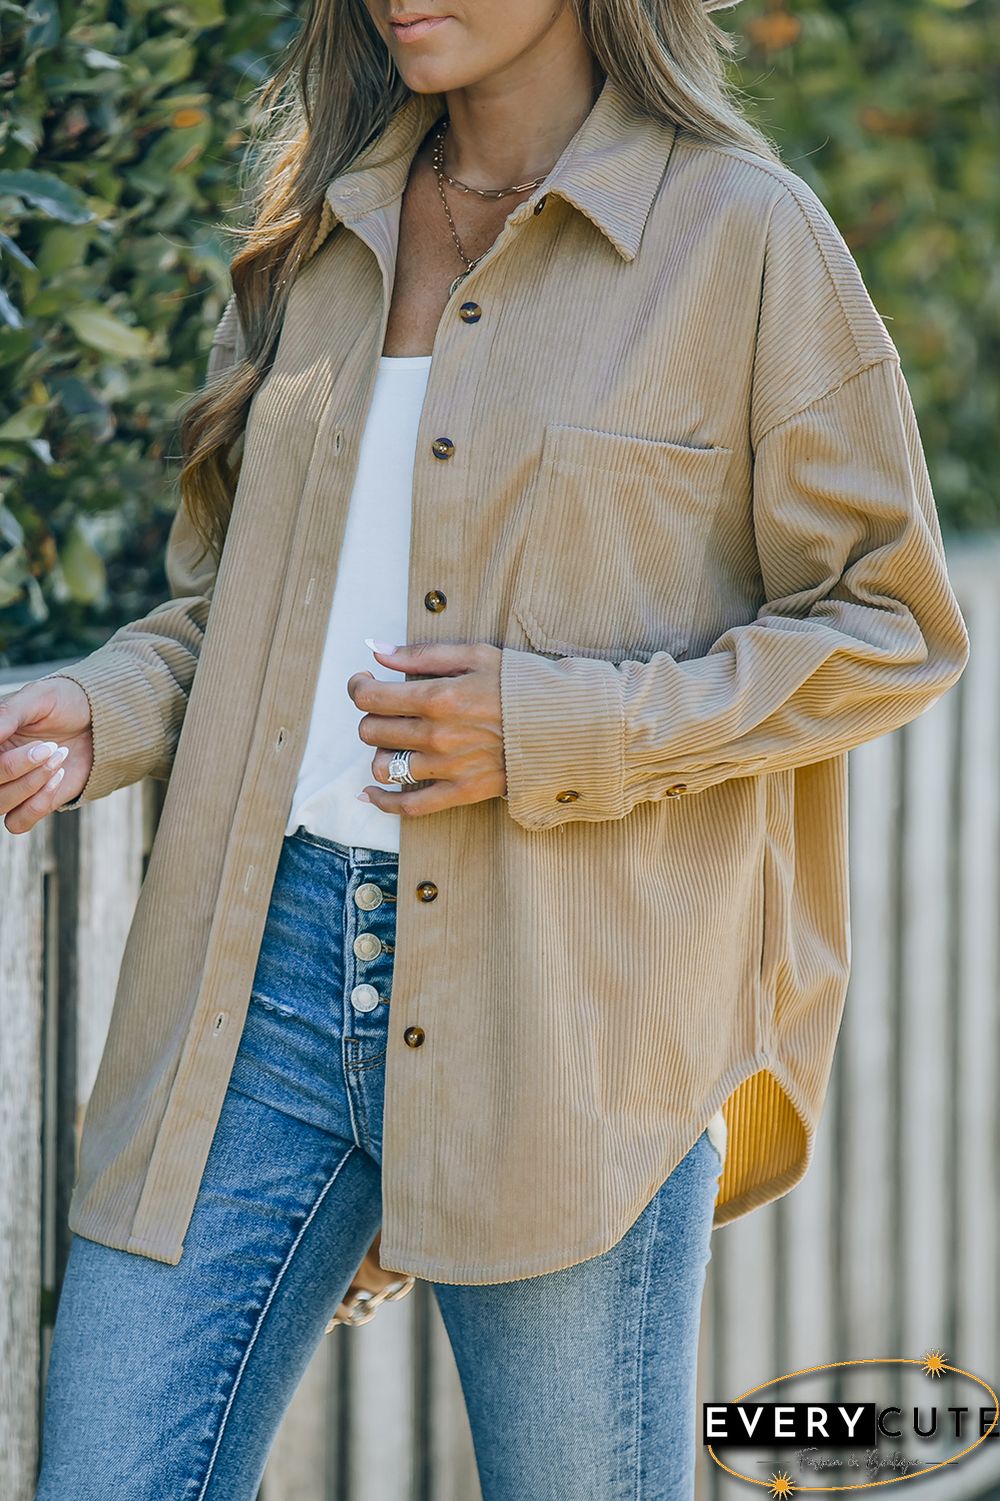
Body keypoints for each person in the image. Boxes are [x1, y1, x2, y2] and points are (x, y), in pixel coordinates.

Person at [2, 1, 968, 1497]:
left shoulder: (742, 239)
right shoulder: (320, 232)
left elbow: (891, 625)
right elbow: (240, 618)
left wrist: (566, 725)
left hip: (571, 1016)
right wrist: (103, 706)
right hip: (253, 986)